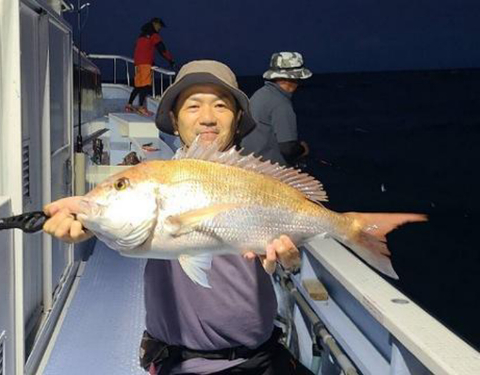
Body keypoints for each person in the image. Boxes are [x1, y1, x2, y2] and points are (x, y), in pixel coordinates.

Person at [43, 60, 314, 375]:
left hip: (259, 356)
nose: (208, 118)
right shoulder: (157, 177)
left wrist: (289, 262)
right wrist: (87, 223)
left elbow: (286, 248)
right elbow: (134, 220)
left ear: (238, 118)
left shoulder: (258, 179)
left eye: (221, 106)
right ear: (173, 118)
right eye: (193, 106)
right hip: (180, 362)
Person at [241, 52, 311, 166]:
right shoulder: (282, 104)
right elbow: (287, 149)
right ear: (294, 78)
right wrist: (303, 149)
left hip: (248, 166)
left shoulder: (259, 94)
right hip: (269, 172)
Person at [126, 17, 175, 115]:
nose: (160, 28)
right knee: (146, 85)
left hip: (138, 63)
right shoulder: (154, 35)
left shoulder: (142, 35)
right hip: (145, 64)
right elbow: (162, 49)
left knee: (138, 85)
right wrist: (170, 60)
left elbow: (141, 49)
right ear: (155, 24)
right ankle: (141, 107)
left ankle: (129, 105)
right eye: (159, 26)